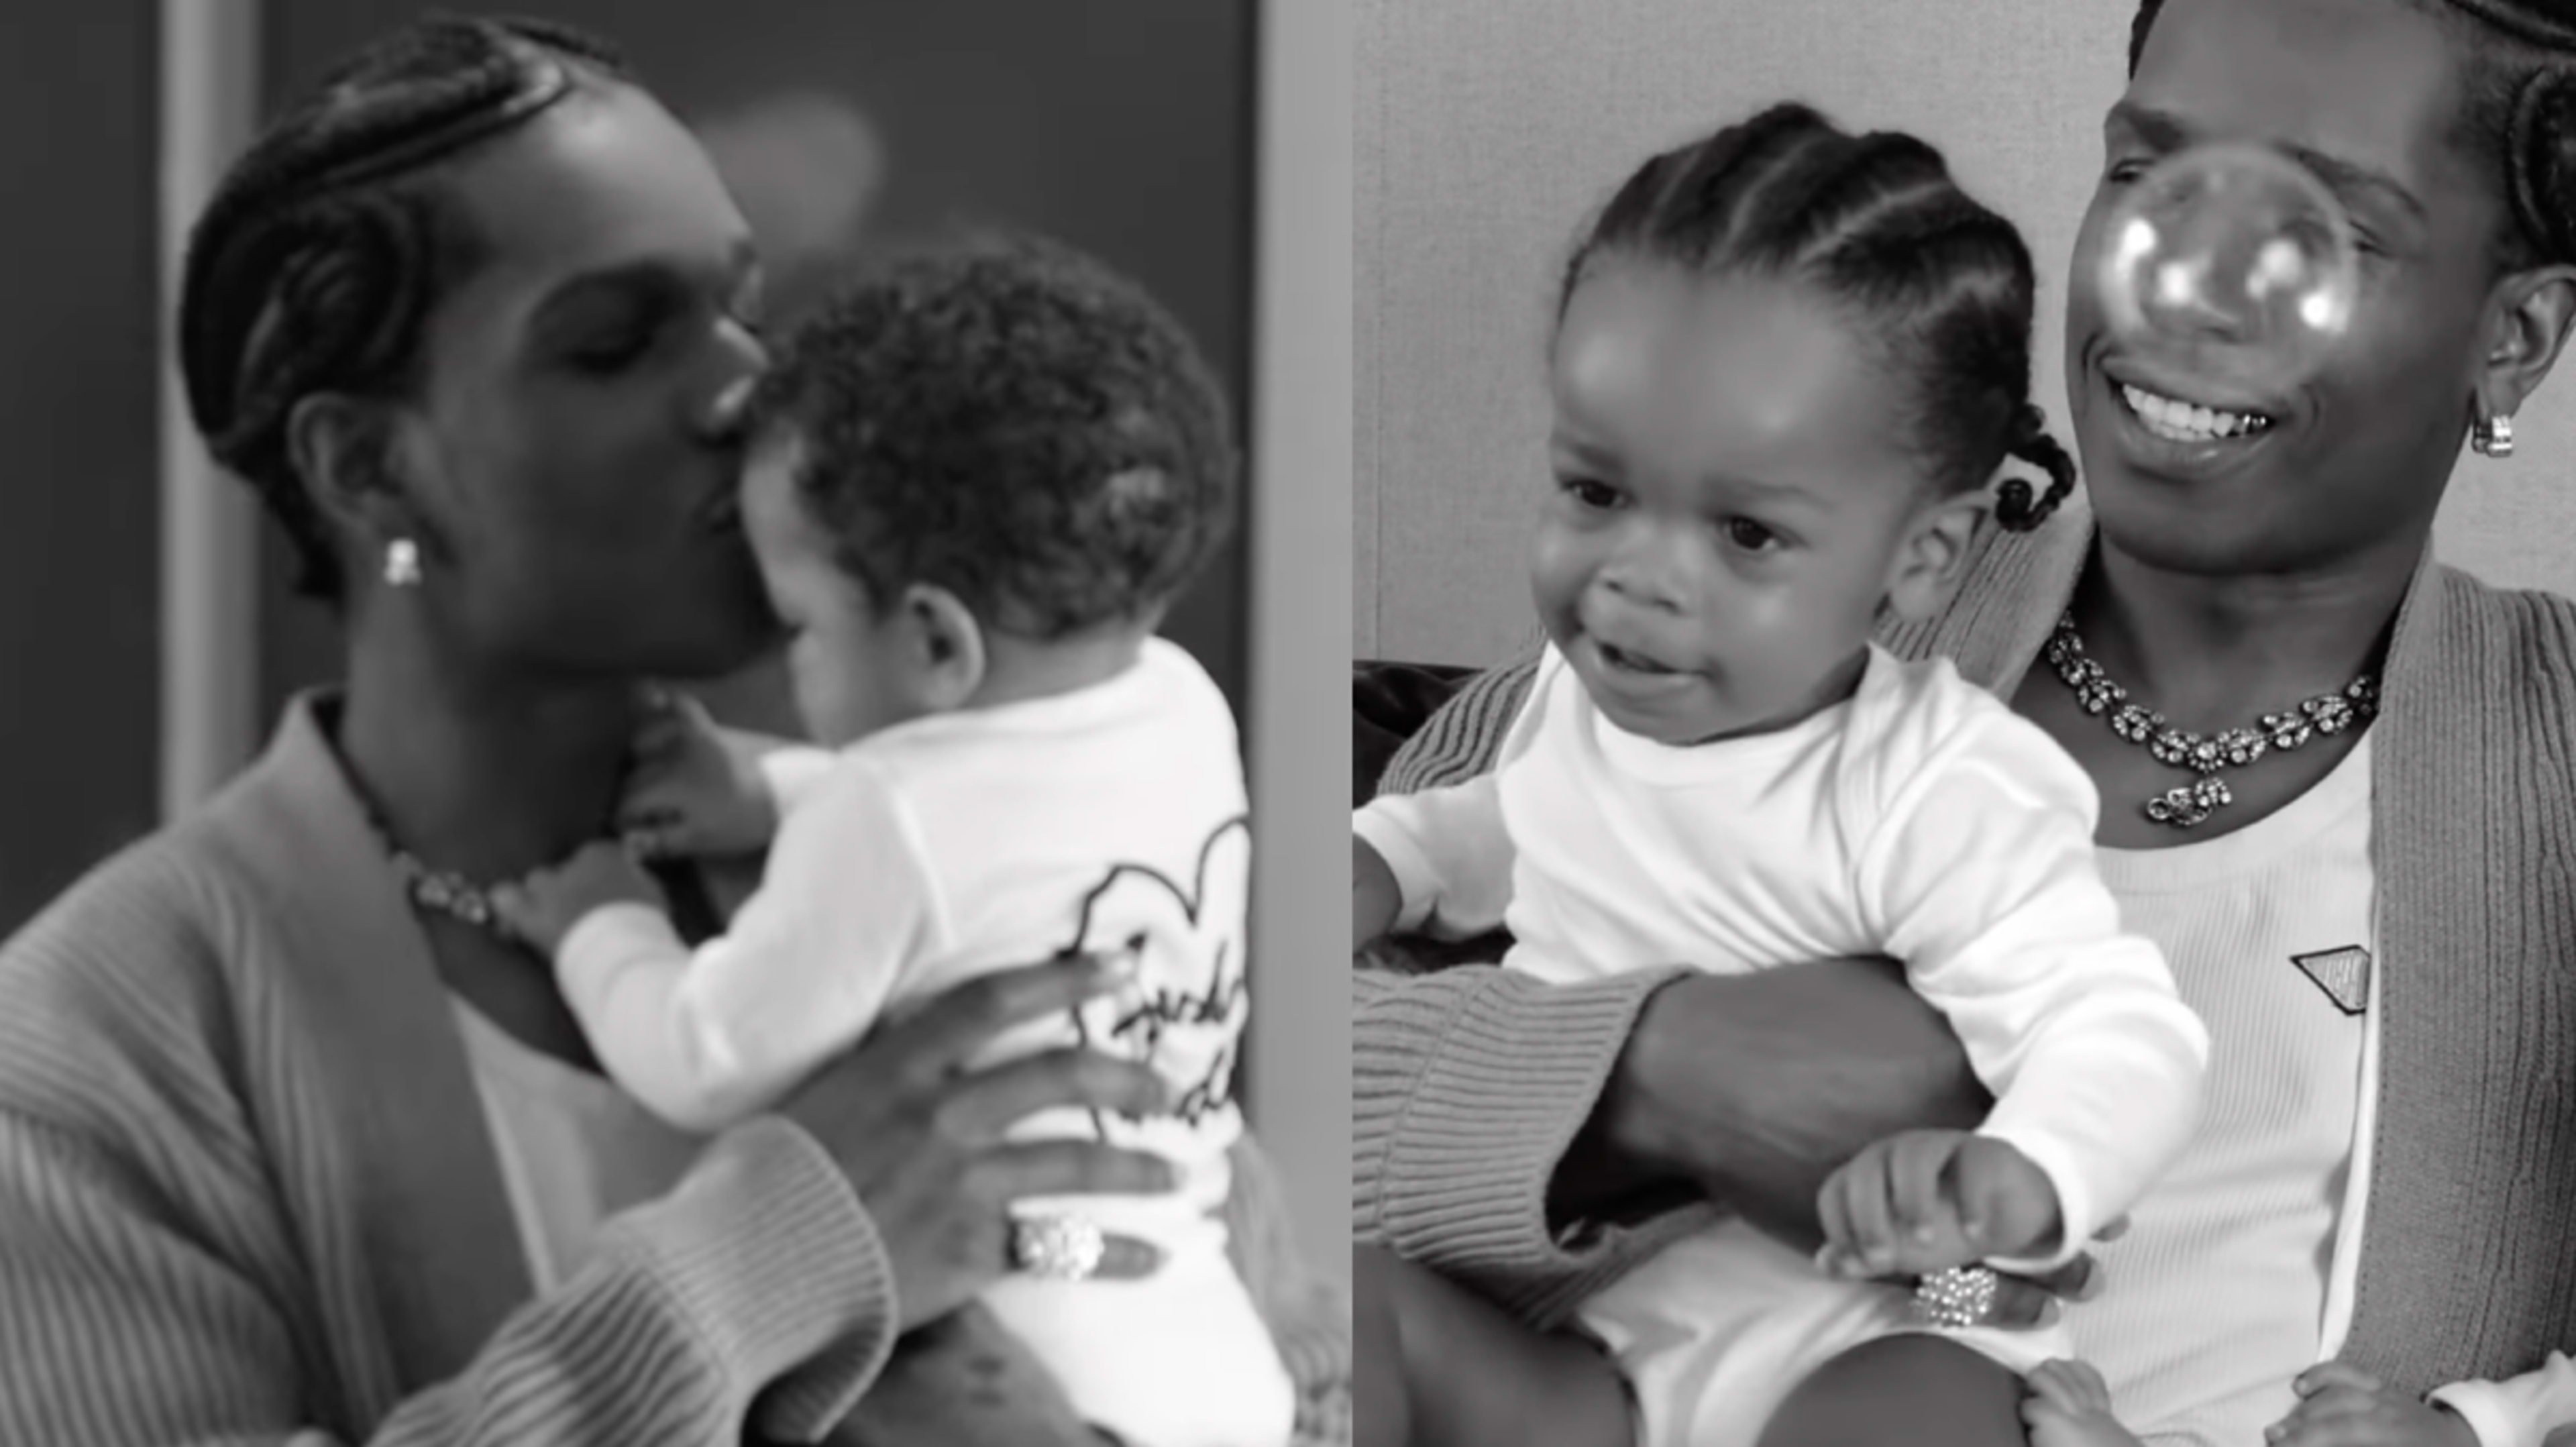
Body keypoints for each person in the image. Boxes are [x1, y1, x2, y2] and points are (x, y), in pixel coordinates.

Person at [0, 16, 1347, 1446]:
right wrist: (768, 1262)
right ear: (367, 465)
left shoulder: (942, 847)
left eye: (739, 306)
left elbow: (1285, 1354)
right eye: (615, 342)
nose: (745, 387)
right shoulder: (90, 1062)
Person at [1352, 0, 2576, 1444]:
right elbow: (1240, 1044)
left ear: (2513, 337)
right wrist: (1651, 1076)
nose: (2178, 292)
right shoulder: (1783, 597)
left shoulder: (2547, 753)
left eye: (2322, 235)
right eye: (2148, 180)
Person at [1346, 102, 2210, 1447]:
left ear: (1921, 557)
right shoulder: (1575, 693)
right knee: (1334, 1314)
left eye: (1745, 530)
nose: (1638, 571)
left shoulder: (1940, 786)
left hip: (1887, 1318)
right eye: (1594, 490)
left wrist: (2021, 1173)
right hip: (1592, 1328)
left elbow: (2116, 1024)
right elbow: (1509, 830)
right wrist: (1390, 858)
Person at [490, 235, 1293, 1447]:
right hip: (1216, 1363)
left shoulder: (886, 821)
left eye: (801, 623)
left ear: (933, 642)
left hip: (999, 1369)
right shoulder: (1180, 704)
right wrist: (768, 796)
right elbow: (993, 846)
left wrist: (600, 919)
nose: (788, 658)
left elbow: (708, 1049)